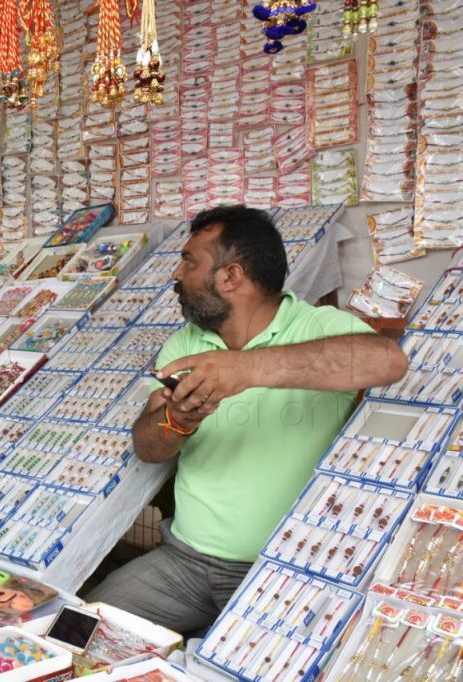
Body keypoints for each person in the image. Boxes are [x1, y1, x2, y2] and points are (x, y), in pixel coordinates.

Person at [85, 205, 408, 633]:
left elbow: (387, 361)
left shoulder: (317, 326)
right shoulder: (184, 344)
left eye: (189, 261)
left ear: (231, 276)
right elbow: (148, 447)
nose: (176, 275)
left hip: (286, 571)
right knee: (76, 631)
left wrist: (246, 368)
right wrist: (177, 420)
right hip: (183, 562)